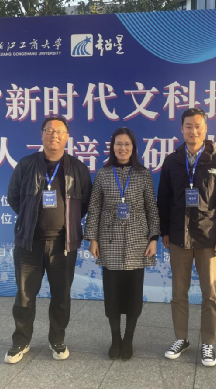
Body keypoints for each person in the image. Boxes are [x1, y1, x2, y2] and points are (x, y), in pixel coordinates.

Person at [4, 118, 92, 364]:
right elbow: (13, 197)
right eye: (49, 131)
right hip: (28, 243)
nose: (54, 135)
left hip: (63, 245)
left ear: (67, 137)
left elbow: (85, 203)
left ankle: (57, 339)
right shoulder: (26, 164)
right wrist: (30, 219)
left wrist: (68, 222)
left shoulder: (78, 168)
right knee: (24, 296)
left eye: (59, 131)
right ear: (41, 135)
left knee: (61, 297)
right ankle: (21, 341)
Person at [158, 108, 216, 367]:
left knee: (210, 294)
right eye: (189, 126)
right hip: (179, 238)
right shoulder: (172, 161)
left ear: (206, 128)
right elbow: (164, 200)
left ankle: (208, 343)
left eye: (198, 126)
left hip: (209, 239)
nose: (194, 131)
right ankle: (181, 338)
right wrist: (165, 232)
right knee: (178, 293)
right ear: (181, 129)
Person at [84, 127, 160, 361]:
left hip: (138, 241)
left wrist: (154, 238)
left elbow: (152, 208)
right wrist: (93, 238)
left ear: (133, 147)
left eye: (127, 144)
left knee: (134, 296)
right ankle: (115, 338)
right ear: (112, 147)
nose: (122, 148)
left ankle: (128, 339)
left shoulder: (143, 174)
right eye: (118, 143)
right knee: (113, 295)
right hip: (109, 240)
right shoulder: (103, 173)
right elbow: (94, 207)